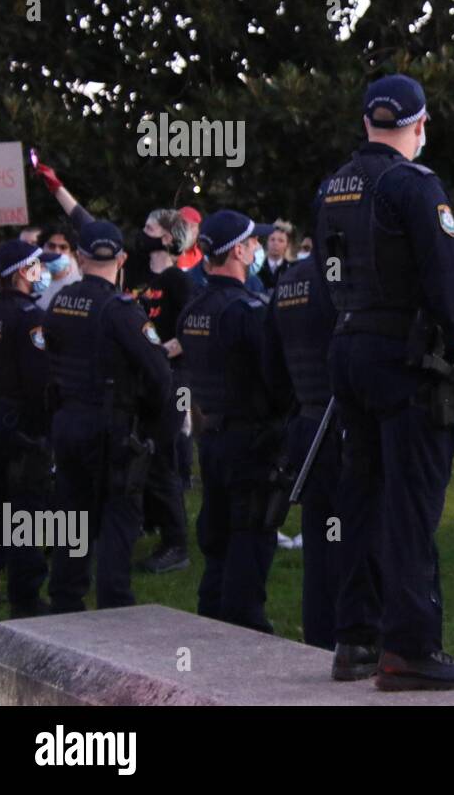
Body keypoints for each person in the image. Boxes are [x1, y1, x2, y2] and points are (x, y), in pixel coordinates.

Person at [314, 74, 454, 689]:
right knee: (410, 507)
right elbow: (449, 280)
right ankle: (410, 648)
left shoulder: (332, 185)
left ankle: (355, 638)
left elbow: (325, 273)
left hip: (351, 347)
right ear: (419, 124)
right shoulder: (414, 184)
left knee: (360, 498)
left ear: (367, 122)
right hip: (407, 359)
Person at [43, 221, 172, 613]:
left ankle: (65, 600)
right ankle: (115, 608)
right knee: (118, 516)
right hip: (111, 428)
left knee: (72, 512)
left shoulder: (59, 303)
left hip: (67, 423)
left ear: (79, 257)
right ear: (121, 259)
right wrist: (146, 419)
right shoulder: (122, 311)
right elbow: (160, 373)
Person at [177, 210, 291, 633]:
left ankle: (213, 626)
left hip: (213, 438)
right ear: (239, 251)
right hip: (253, 442)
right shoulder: (247, 311)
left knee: (219, 539)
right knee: (250, 536)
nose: (260, 248)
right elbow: (275, 379)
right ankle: (245, 636)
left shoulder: (195, 309)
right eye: (255, 243)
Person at [264, 253, 342, 650]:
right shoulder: (344, 273)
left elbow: (271, 363)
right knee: (355, 541)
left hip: (306, 420)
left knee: (319, 544)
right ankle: (354, 638)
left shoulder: (290, 279)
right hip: (342, 425)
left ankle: (320, 638)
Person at [0, 240, 58, 617]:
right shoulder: (31, 317)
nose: (40, 272)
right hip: (26, 426)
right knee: (28, 513)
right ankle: (25, 596)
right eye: (35, 266)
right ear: (21, 272)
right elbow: (40, 378)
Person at [134, 208, 196, 574]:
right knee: (145, 452)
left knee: (162, 455)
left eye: (149, 227)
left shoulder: (177, 279)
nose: (142, 233)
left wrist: (172, 346)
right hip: (145, 377)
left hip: (174, 379)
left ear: (168, 238)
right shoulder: (139, 276)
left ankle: (176, 543)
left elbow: (191, 322)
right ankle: (153, 523)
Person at [35, 224, 81, 309]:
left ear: (71, 253)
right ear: (42, 248)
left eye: (63, 247)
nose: (56, 251)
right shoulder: (31, 281)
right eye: (51, 246)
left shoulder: (78, 284)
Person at [257, 220, 295, 290]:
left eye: (281, 240)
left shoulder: (292, 270)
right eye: (272, 239)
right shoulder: (257, 269)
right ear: (267, 242)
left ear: (287, 245)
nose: (275, 243)